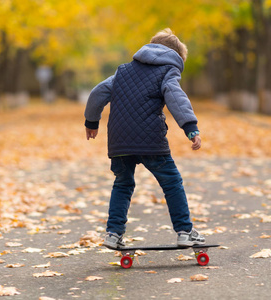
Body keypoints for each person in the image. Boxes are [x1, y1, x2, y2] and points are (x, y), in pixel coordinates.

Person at [84, 28, 206, 249]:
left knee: (122, 184)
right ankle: (185, 231)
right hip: (150, 140)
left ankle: (113, 234)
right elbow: (175, 96)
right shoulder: (168, 71)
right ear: (175, 56)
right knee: (171, 182)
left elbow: (97, 93)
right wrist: (190, 127)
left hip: (119, 141)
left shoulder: (123, 71)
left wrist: (91, 122)